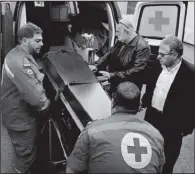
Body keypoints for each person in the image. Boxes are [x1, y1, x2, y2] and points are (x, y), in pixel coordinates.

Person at [66, 82, 165, 173]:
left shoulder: (92, 130)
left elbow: (72, 170)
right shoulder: (156, 135)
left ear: (113, 102)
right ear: (139, 106)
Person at [1, 22, 51, 174]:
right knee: (25, 156)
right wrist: (49, 104)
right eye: (37, 41)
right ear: (24, 40)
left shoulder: (19, 54)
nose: (42, 44)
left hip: (15, 112)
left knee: (26, 151)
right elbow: (38, 100)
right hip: (20, 119)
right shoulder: (20, 62)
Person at [141, 35, 194, 174]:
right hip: (151, 119)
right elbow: (151, 85)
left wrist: (185, 129)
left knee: (166, 164)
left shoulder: (190, 74)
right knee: (146, 158)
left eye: (162, 54)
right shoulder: (156, 65)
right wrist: (145, 101)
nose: (158, 56)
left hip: (173, 127)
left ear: (175, 55)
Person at [93, 16, 151, 96]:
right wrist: (96, 66)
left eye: (117, 31)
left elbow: (136, 71)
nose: (116, 34)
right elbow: (109, 54)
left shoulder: (142, 47)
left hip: (129, 90)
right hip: (115, 83)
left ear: (126, 32)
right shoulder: (122, 40)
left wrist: (111, 75)